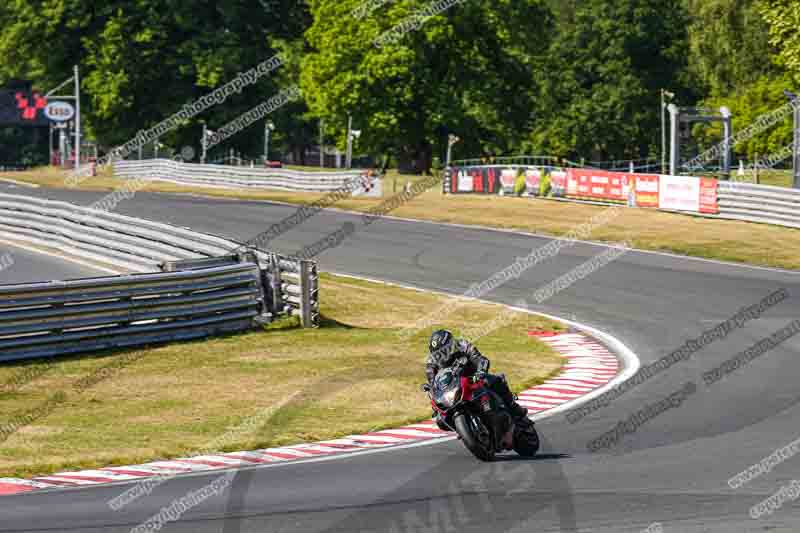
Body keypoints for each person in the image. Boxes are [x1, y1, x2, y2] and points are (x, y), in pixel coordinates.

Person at [426, 329, 529, 421]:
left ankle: (513, 407)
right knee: (440, 419)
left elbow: (481, 359)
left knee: (497, 380)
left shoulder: (462, 345)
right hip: (454, 390)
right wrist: (434, 402)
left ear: (451, 344)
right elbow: (433, 385)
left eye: (445, 350)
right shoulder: (431, 364)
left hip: (474, 379)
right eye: (438, 354)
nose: (443, 355)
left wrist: (481, 371)